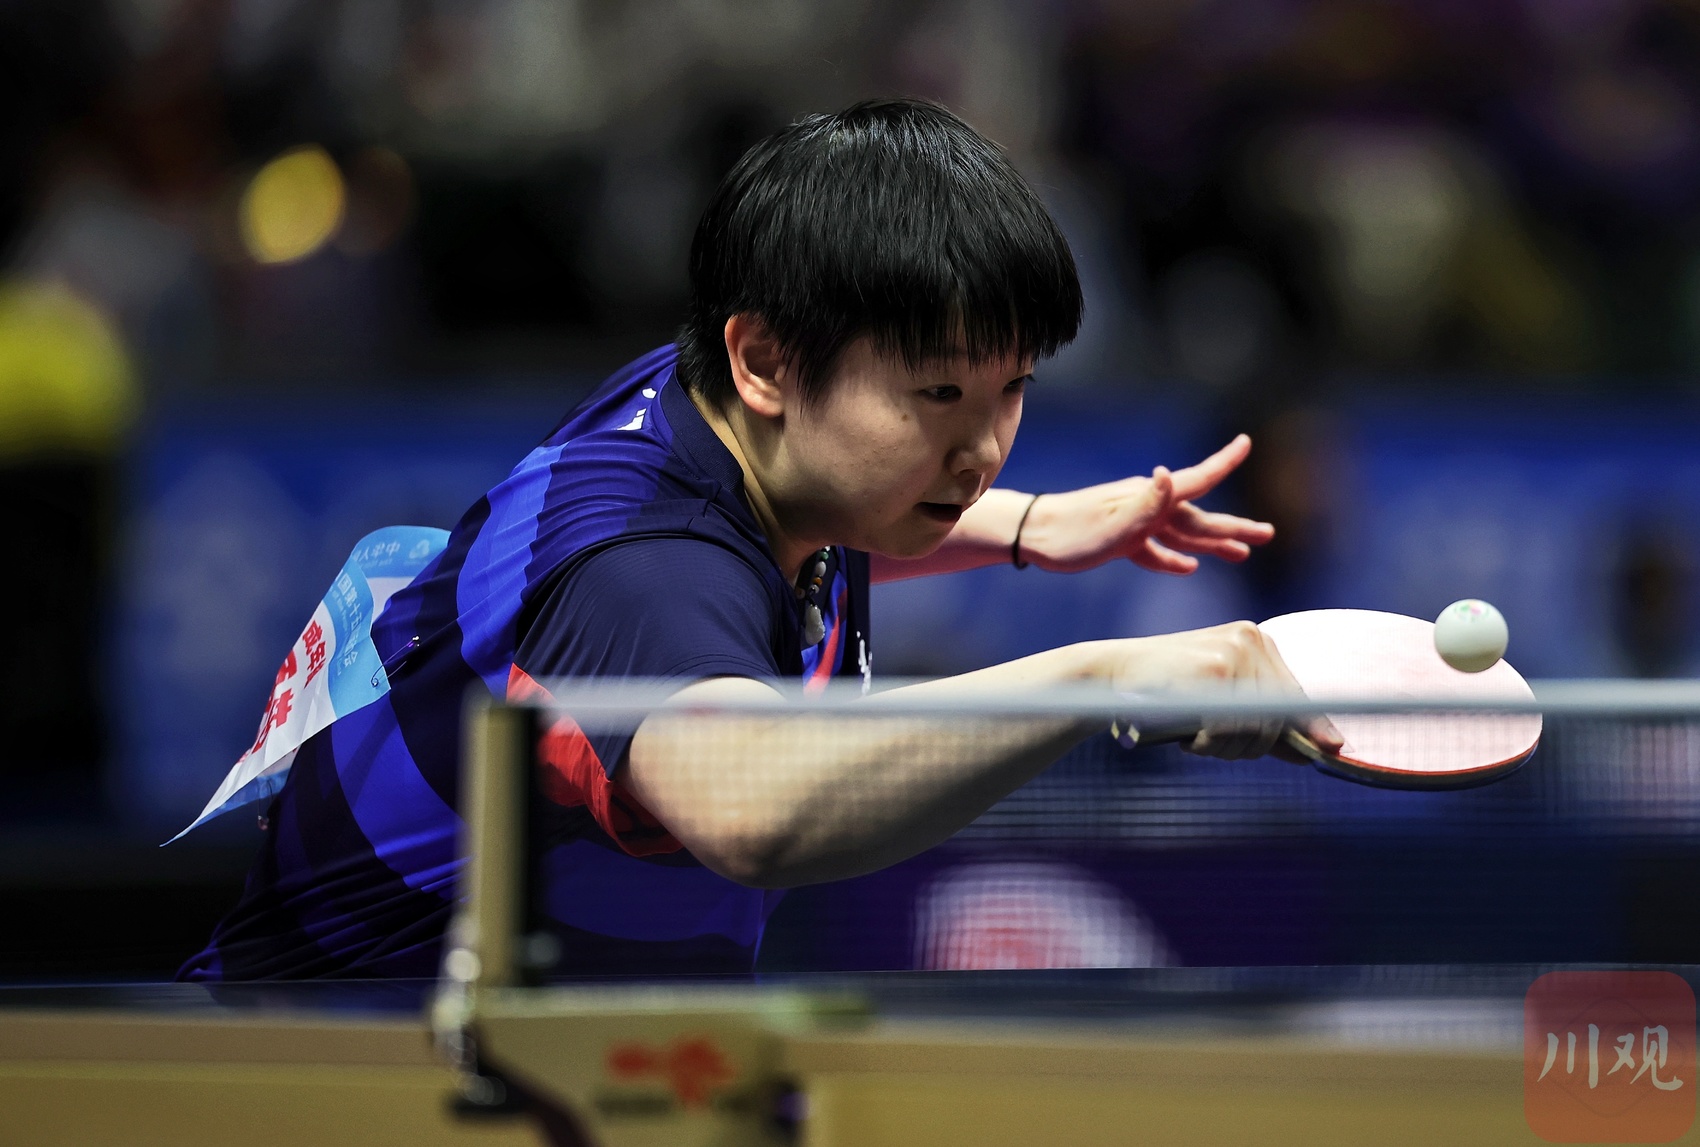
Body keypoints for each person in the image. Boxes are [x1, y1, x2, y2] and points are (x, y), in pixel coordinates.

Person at [179, 98, 1338, 981]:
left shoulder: (714, 418)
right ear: (766, 362)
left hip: (565, 1061)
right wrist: (1100, 680)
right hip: (335, 1072)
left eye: (1012, 389)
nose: (983, 449)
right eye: (940, 395)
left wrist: (1028, 526)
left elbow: (817, 510)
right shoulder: (637, 569)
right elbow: (751, 807)